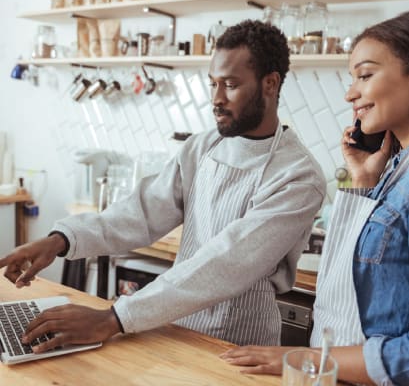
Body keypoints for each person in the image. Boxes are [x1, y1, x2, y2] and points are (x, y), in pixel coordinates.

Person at [0, 20, 325, 352]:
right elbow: (141, 213)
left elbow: (225, 263)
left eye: (230, 84)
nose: (216, 98)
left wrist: (112, 318)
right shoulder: (203, 147)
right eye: (213, 83)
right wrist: (60, 239)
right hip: (173, 329)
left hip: (239, 347)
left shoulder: (298, 175)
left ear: (270, 84)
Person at [220, 11, 409, 386]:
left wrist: (308, 358)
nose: (350, 93)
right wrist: (361, 179)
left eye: (366, 75)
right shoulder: (394, 168)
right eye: (351, 77)